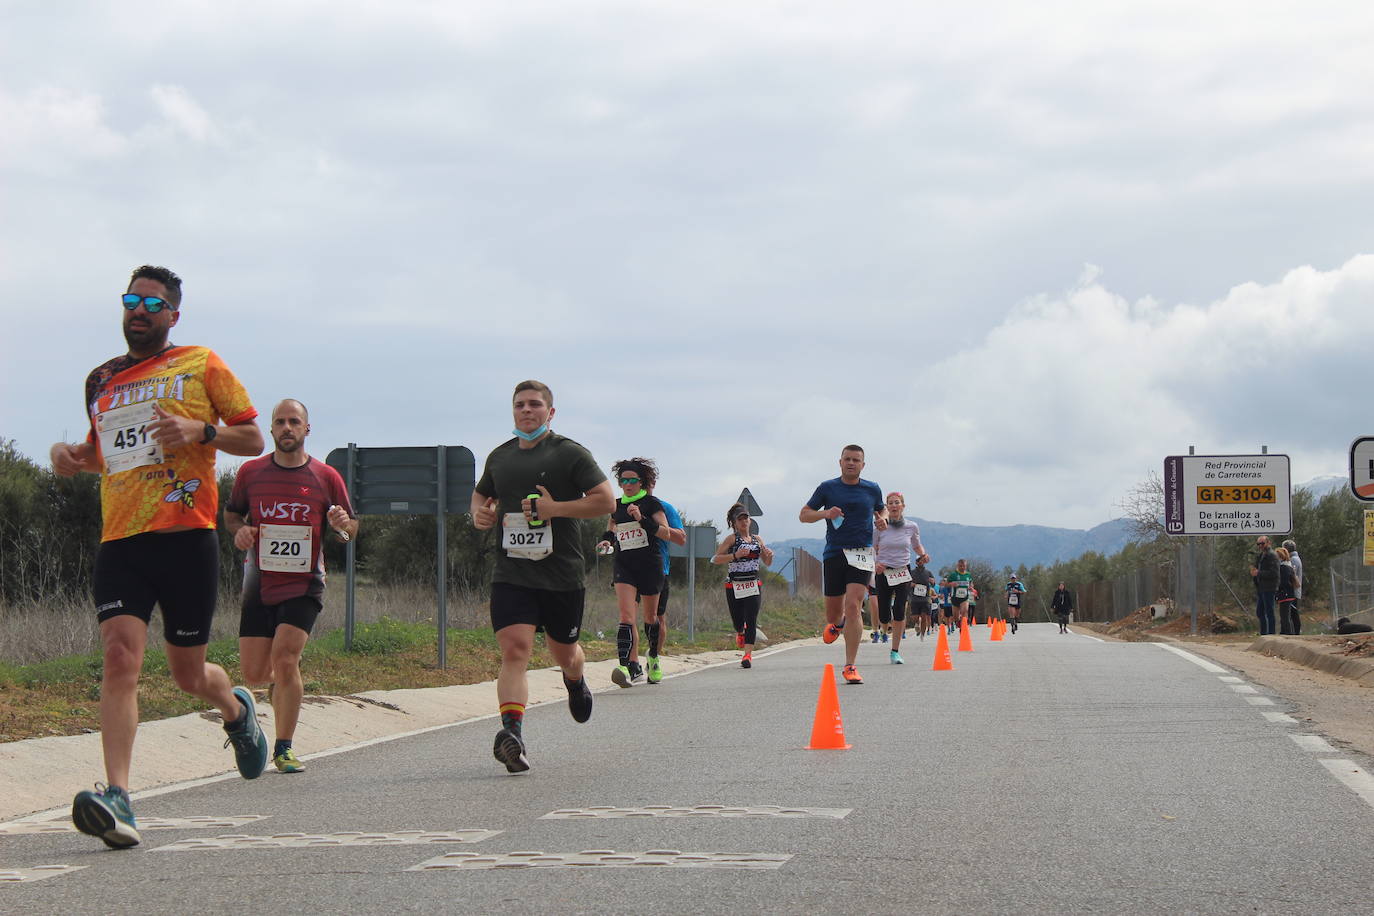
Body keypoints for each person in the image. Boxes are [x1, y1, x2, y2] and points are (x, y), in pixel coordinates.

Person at [50, 265, 267, 848]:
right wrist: (69, 456)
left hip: (186, 536)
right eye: (130, 300)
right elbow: (102, 453)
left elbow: (252, 439)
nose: (138, 310)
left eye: (151, 302)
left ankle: (236, 709)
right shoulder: (102, 379)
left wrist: (200, 432)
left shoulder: (201, 363)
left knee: (187, 674)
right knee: (121, 659)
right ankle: (119, 797)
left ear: (173, 314)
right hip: (120, 540)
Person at [471, 380, 615, 773]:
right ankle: (512, 734)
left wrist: (554, 509)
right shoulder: (499, 457)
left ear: (550, 413)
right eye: (519, 405)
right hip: (512, 571)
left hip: (562, 575)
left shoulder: (570, 454)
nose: (526, 411)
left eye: (535, 405)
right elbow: (481, 495)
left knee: (564, 653)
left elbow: (606, 500)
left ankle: (575, 679)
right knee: (515, 650)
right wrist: (479, 514)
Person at [224, 399, 359, 773]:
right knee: (254, 674)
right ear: (271, 429)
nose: (287, 428)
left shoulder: (326, 476)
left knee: (286, 658)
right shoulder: (251, 473)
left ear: (306, 429)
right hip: (259, 581)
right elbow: (232, 514)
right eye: (280, 422)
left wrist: (340, 527)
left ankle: (283, 748)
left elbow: (352, 528)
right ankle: (266, 702)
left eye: (294, 421)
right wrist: (241, 533)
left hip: (305, 584)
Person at [799, 445, 886, 685]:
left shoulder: (872, 488)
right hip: (835, 553)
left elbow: (882, 509)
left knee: (854, 605)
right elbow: (804, 515)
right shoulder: (827, 488)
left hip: (862, 553)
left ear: (863, 465)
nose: (851, 463)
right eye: (847, 459)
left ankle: (850, 665)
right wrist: (826, 513)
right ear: (840, 462)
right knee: (834, 613)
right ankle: (838, 625)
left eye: (856, 460)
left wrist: (883, 519)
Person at [597, 459, 675, 687]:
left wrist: (642, 519)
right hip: (624, 565)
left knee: (651, 619)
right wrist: (605, 541)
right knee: (625, 617)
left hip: (650, 566)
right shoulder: (616, 505)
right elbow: (612, 529)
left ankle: (653, 657)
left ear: (641, 482)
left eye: (632, 480)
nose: (627, 484)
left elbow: (667, 534)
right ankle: (623, 665)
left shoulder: (651, 504)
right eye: (623, 480)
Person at [711, 503, 775, 668]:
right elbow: (715, 559)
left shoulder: (757, 540)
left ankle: (747, 655)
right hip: (734, 585)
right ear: (734, 523)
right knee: (738, 621)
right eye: (740, 519)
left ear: (750, 520)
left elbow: (767, 563)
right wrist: (735, 555)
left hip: (753, 583)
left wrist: (769, 556)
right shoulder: (732, 539)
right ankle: (740, 631)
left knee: (751, 619)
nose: (743, 521)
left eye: (745, 518)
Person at [872, 492, 929, 665]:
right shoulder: (879, 528)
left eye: (897, 503)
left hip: (903, 571)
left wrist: (924, 555)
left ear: (903, 506)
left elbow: (916, 545)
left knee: (899, 609)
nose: (894, 506)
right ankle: (883, 627)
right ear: (887, 508)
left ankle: (895, 651)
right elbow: (872, 548)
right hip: (884, 571)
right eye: (890, 503)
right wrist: (876, 564)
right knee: (883, 614)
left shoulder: (912, 526)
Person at [643, 484, 686, 658]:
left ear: (653, 484)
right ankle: (630, 664)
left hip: (657, 568)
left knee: (656, 617)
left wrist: (655, 527)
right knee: (627, 618)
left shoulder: (663, 507)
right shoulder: (622, 506)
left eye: (647, 482)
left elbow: (681, 538)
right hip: (628, 568)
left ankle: (654, 658)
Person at [1250, 536, 1279, 636]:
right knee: (1260, 612)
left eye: (1262, 543)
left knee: (1269, 611)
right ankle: (1264, 633)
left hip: (1269, 587)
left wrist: (1259, 573)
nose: (1260, 546)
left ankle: (1271, 633)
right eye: (1259, 544)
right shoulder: (1262, 555)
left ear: (1268, 543)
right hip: (1261, 587)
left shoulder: (1272, 555)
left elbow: (1274, 573)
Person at [943, 559, 974, 629]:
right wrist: (951, 584)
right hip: (955, 598)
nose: (962, 567)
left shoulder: (968, 574)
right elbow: (945, 584)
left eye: (964, 566)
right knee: (955, 617)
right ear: (958, 566)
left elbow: (971, 583)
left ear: (966, 566)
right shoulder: (953, 575)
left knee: (965, 611)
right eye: (961, 566)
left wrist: (971, 586)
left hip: (964, 597)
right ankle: (959, 622)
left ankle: (964, 628)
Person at [909, 563, 937, 640]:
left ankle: (922, 634)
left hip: (925, 599)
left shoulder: (928, 572)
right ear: (916, 562)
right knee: (915, 617)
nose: (920, 563)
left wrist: (932, 581)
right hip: (914, 598)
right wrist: (911, 584)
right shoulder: (912, 572)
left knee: (924, 617)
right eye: (919, 561)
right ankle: (917, 624)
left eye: (922, 561)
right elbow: (906, 583)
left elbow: (934, 583)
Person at [1275, 547, 1298, 635]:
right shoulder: (1288, 566)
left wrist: (1278, 592)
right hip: (1287, 594)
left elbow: (1283, 582)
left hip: (1285, 595)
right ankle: (1286, 632)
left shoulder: (1283, 568)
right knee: (1285, 616)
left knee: (1285, 617)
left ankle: (1287, 633)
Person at [1283, 539, 1303, 634]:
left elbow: (1292, 575)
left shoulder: (1293, 560)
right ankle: (1295, 632)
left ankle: (1296, 632)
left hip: (1294, 591)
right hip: (1294, 591)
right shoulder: (1295, 558)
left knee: (1293, 614)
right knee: (1293, 614)